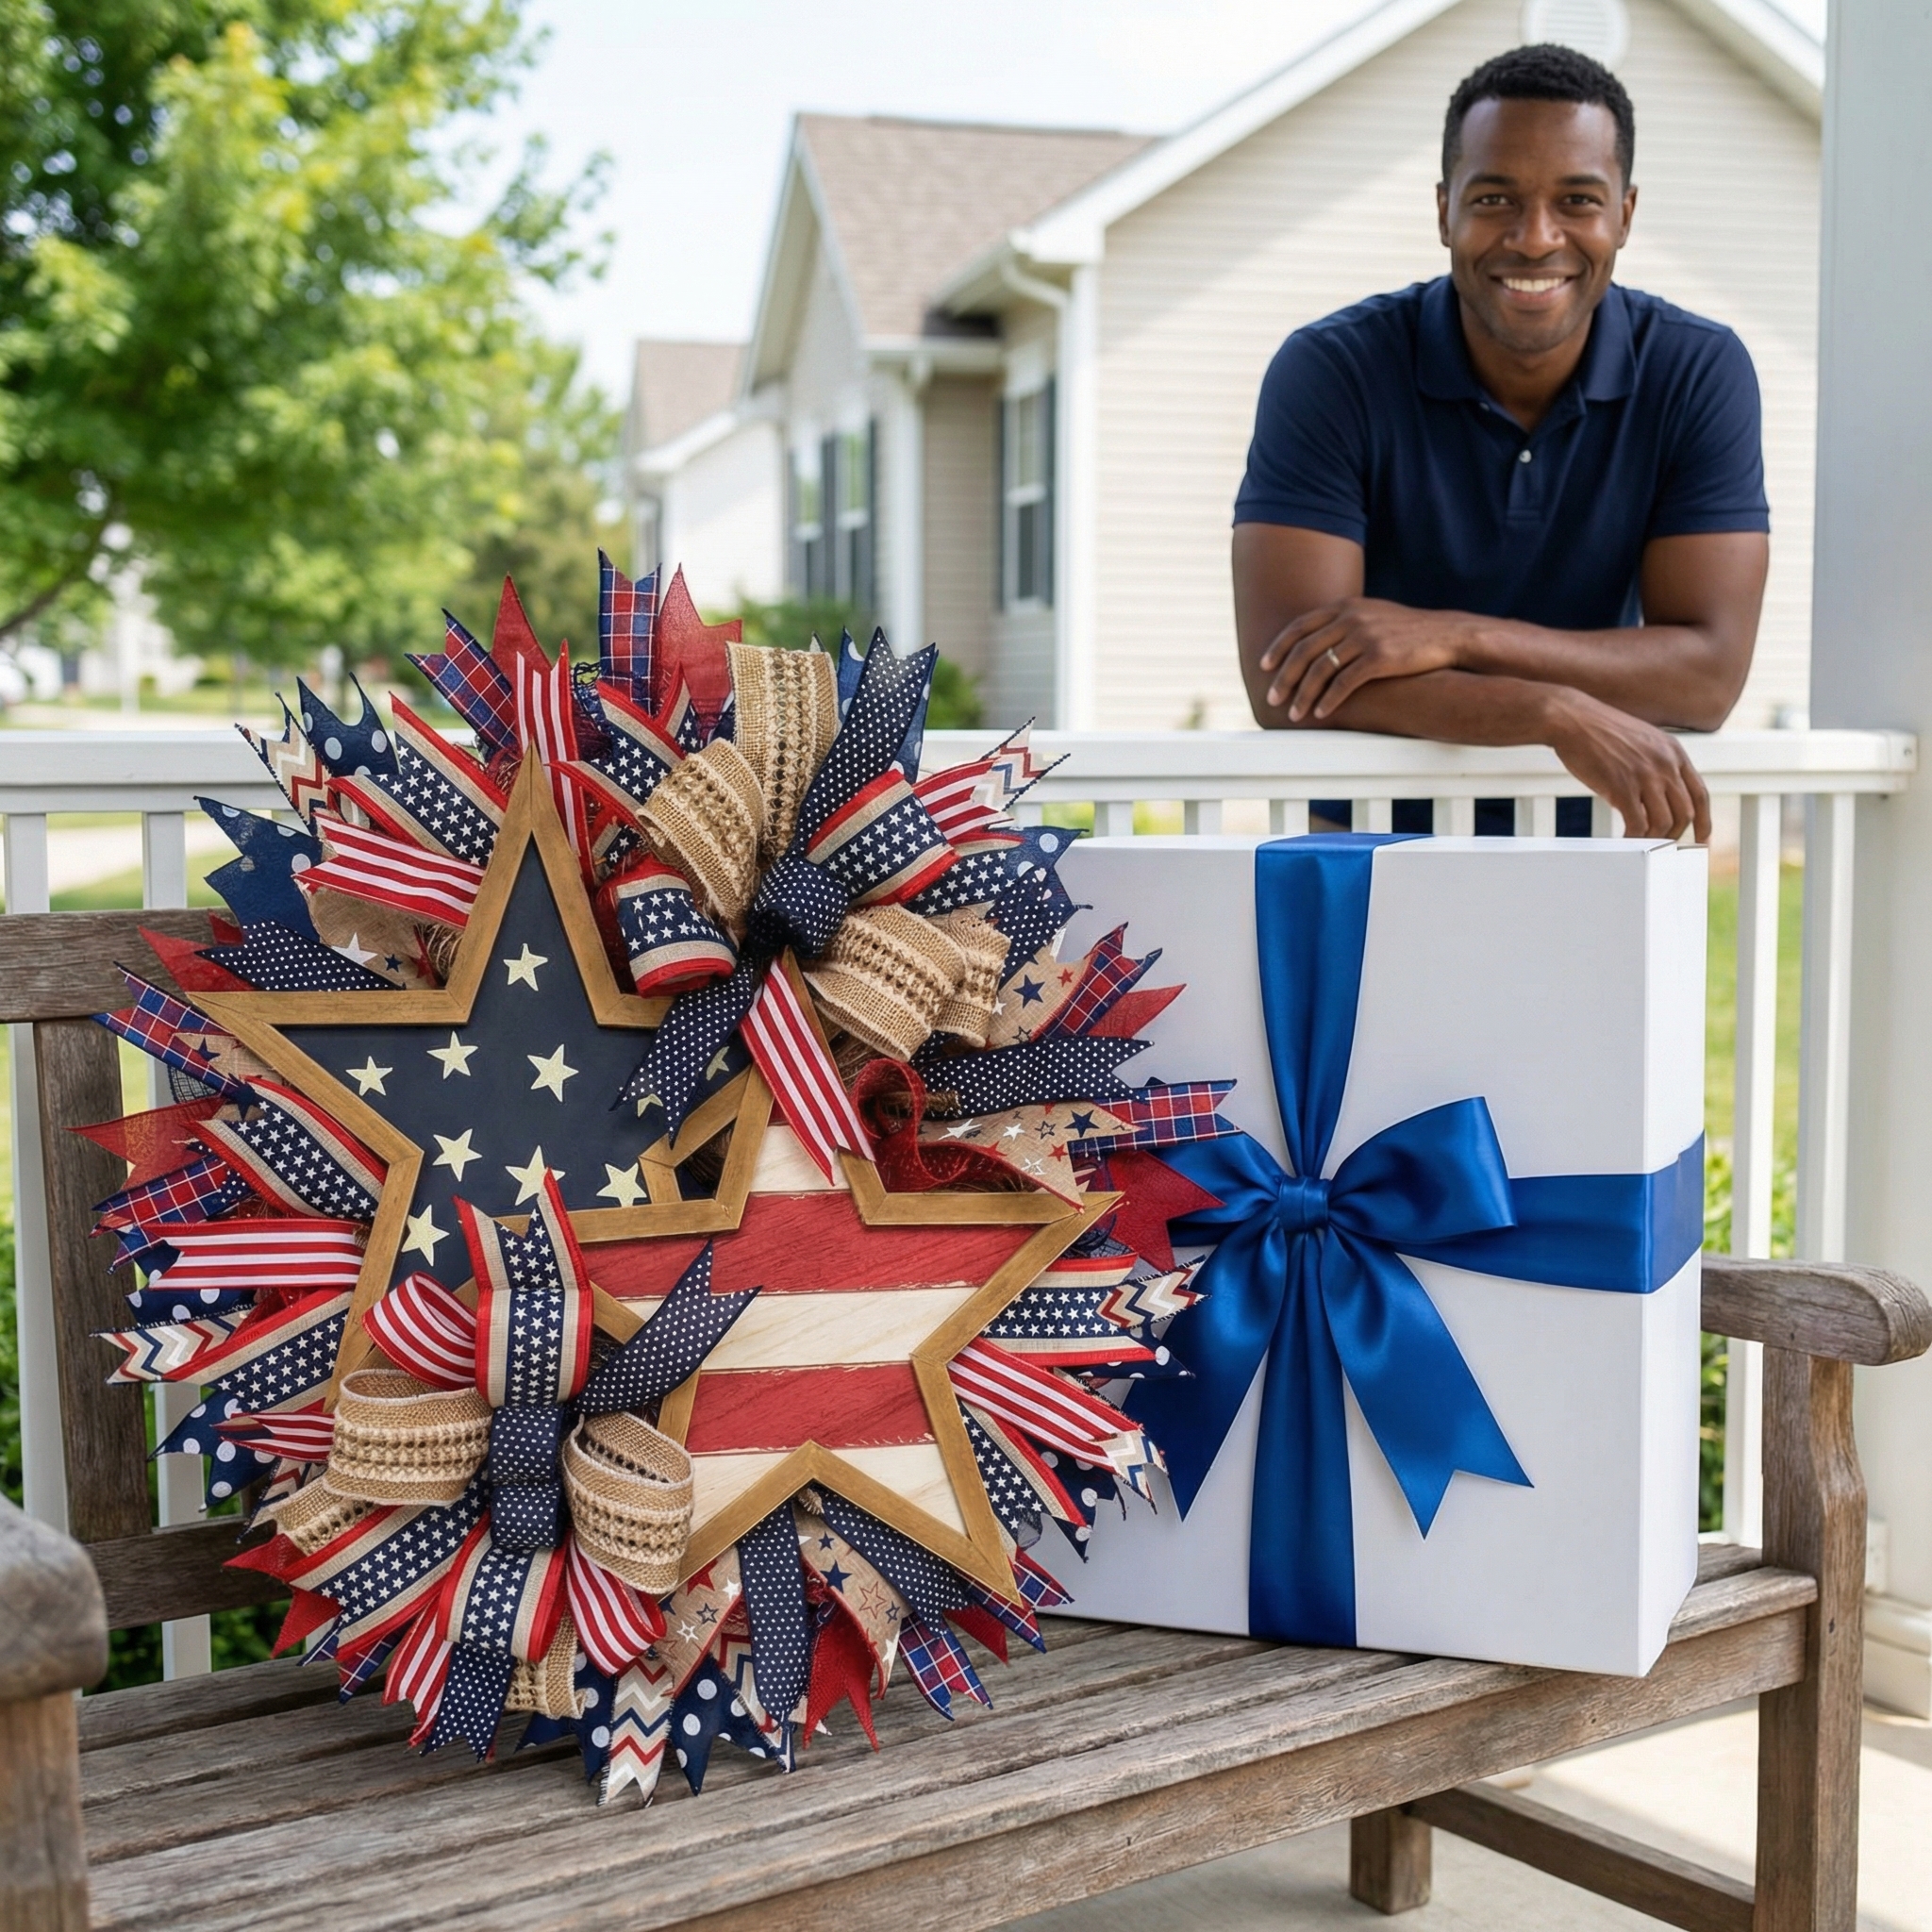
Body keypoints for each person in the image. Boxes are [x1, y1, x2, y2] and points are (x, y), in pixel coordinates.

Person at [1231, 43, 1770, 841]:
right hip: (1370, 851)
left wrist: (1459, 635)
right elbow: (1288, 687)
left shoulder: (1696, 369)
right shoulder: (1333, 369)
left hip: (1595, 847)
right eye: (1495, 199)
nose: (1534, 237)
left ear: (1625, 213)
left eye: (1578, 200)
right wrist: (1547, 709)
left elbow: (1707, 676)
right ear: (1444, 207)